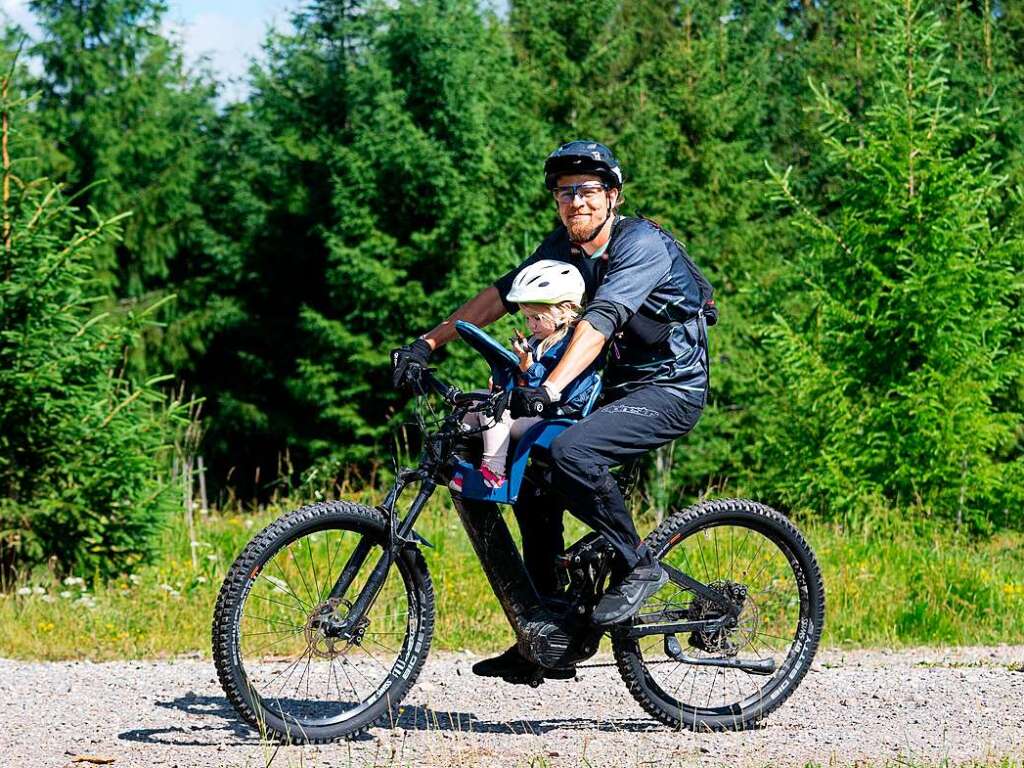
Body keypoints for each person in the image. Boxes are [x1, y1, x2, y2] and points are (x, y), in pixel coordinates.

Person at [392, 139, 714, 681]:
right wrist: (428, 343)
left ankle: (640, 566)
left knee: (568, 449)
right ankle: (548, 628)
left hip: (670, 388)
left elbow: (601, 320)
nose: (576, 203)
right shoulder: (564, 246)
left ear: (612, 196)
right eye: (565, 193)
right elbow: (503, 295)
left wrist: (553, 387)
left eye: (588, 191)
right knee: (528, 463)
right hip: (615, 387)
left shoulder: (642, 246)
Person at [451, 260, 600, 491]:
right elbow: (523, 383)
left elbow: (551, 384)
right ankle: (462, 460)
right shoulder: (537, 341)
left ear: (565, 310)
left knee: (494, 410)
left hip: (554, 417)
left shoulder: (569, 344)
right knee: (473, 402)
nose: (531, 325)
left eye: (537, 318)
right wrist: (504, 381)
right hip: (531, 410)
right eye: (527, 318)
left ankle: (493, 473)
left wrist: (527, 364)